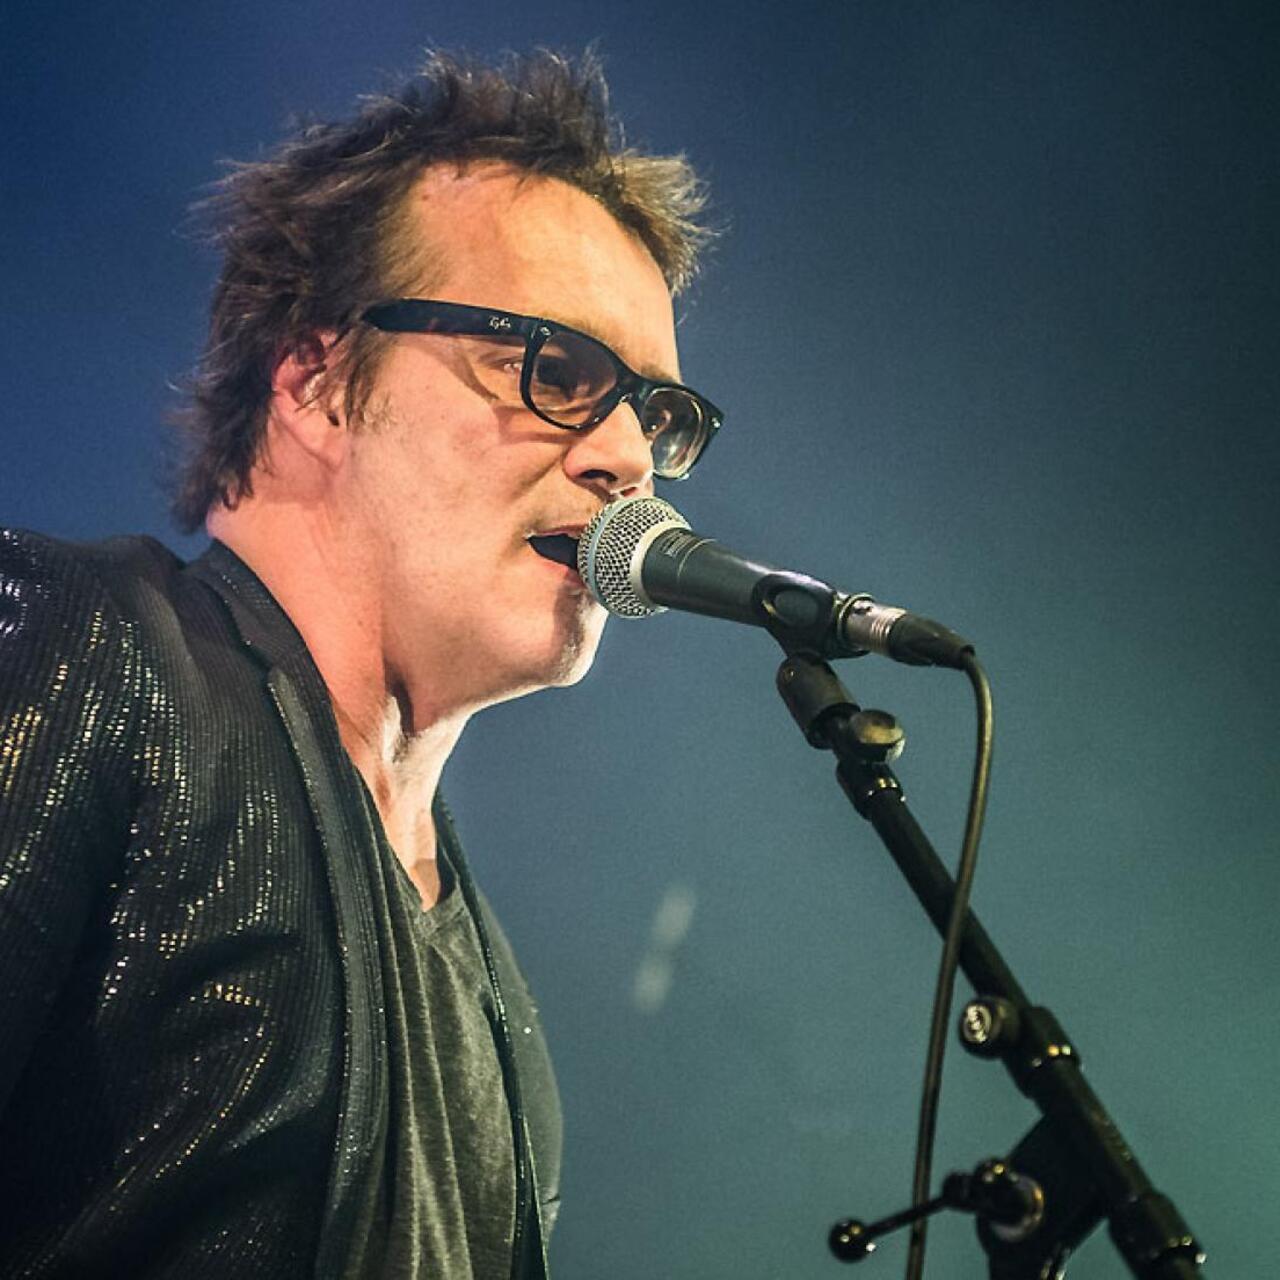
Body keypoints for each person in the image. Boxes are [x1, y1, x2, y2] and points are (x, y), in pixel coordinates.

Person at [0, 50, 717, 1278]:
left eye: (653, 412)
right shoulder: (82, 650)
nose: (626, 457)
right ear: (317, 381)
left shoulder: (499, 1011)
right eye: (555, 370)